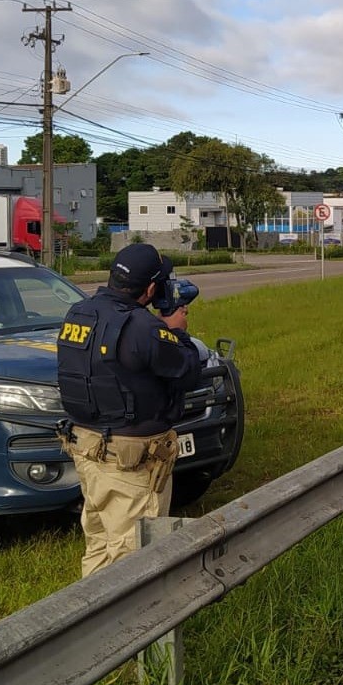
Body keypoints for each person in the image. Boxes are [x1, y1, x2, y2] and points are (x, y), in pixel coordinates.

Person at [56, 243, 203, 577]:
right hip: (131, 465)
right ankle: (131, 626)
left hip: (89, 451)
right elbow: (188, 371)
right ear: (150, 289)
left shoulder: (79, 314)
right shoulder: (145, 329)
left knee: (99, 543)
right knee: (134, 559)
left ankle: (91, 621)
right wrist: (176, 331)